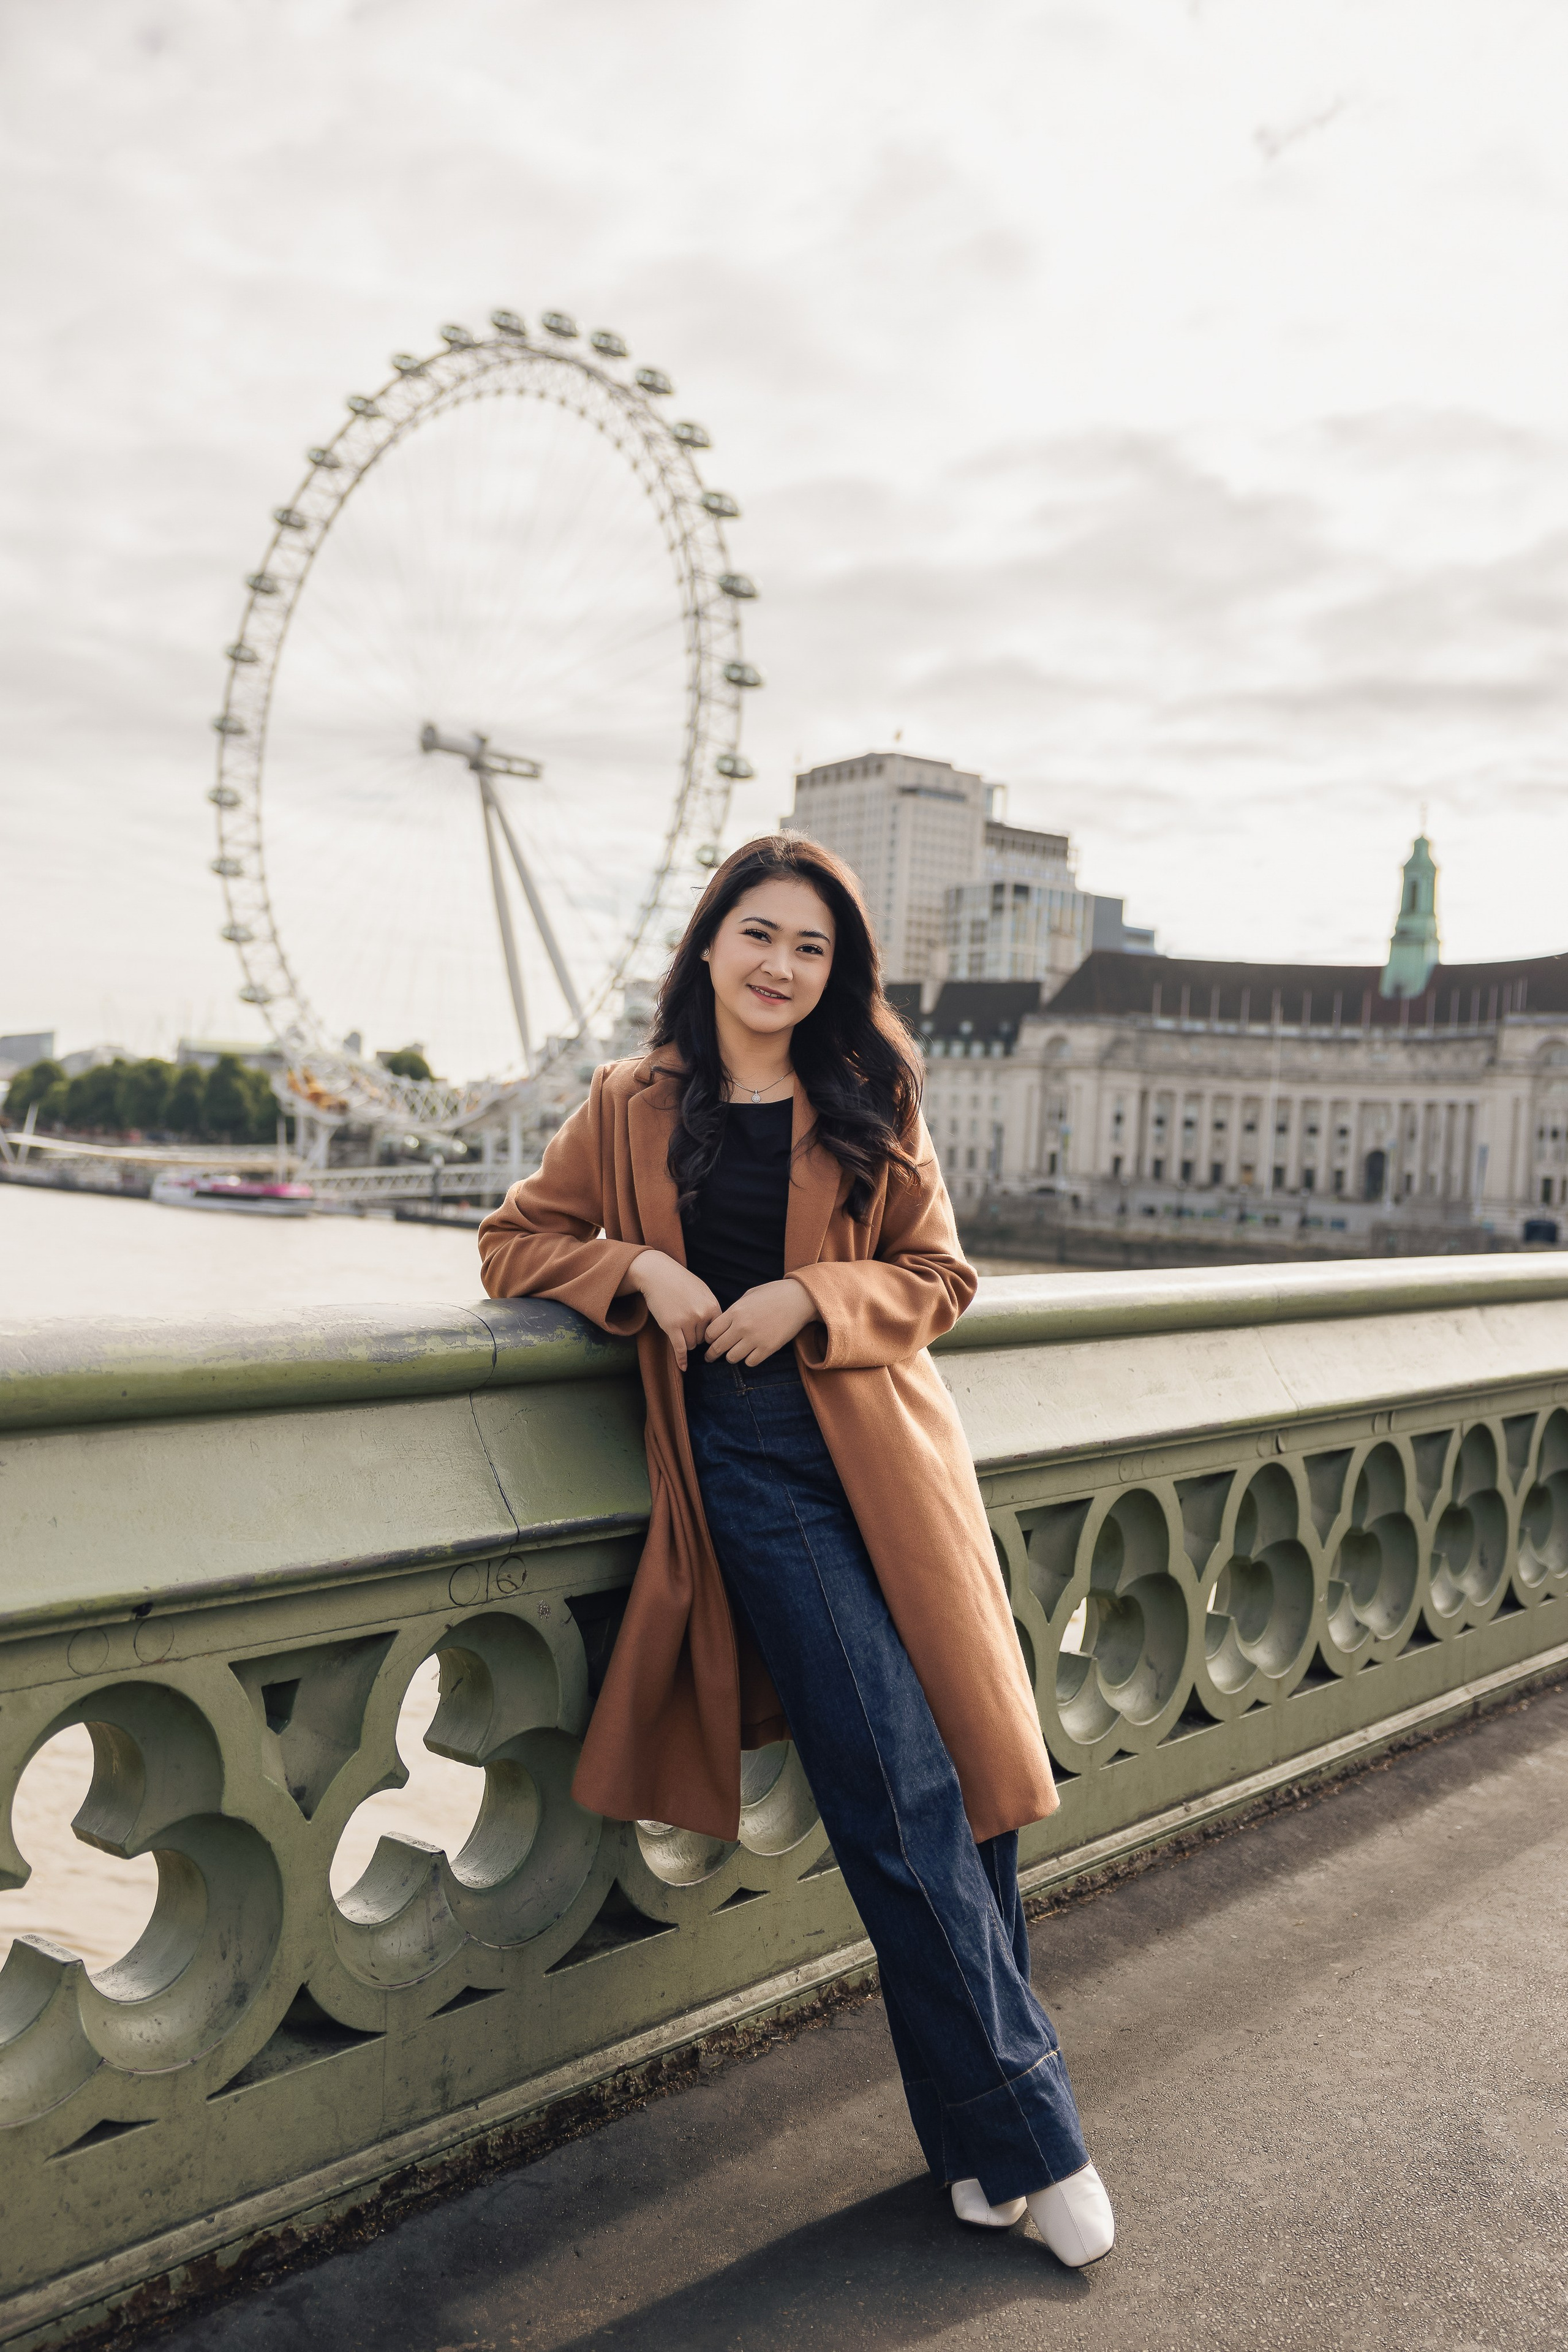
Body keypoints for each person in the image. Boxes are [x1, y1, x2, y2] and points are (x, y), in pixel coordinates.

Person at [477, 834, 1114, 2263]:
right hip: (752, 1473)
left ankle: (976, 2152)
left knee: (971, 1797)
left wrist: (809, 1299)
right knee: (895, 1790)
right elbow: (513, 1242)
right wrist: (636, 1268)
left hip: (892, 1464)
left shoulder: (872, 1095)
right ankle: (1036, 2134)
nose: (779, 965)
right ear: (708, 943)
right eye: (757, 934)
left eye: (810, 947)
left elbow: (939, 1275)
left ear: (837, 973)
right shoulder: (626, 1104)